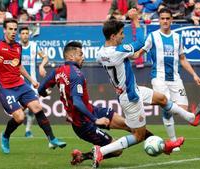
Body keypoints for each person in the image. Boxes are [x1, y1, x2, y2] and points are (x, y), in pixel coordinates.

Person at [38, 41, 180, 166]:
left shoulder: (57, 71)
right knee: (117, 150)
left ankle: (164, 145)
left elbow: (40, 89)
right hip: (83, 123)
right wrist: (95, 120)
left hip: (91, 110)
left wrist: (45, 93)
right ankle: (83, 156)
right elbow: (76, 102)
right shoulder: (76, 74)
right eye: (80, 54)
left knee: (131, 126)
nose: (83, 57)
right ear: (70, 57)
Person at [95, 8, 200, 168]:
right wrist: (135, 20)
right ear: (113, 36)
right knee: (138, 136)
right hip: (130, 96)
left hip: (132, 89)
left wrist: (128, 55)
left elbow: (125, 56)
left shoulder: (100, 53)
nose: (123, 36)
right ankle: (101, 152)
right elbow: (140, 42)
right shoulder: (117, 51)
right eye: (120, 34)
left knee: (162, 98)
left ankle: (190, 118)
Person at [0, 18, 66, 154]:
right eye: (10, 29)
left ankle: (52, 139)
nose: (13, 32)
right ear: (4, 30)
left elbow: (19, 66)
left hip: (20, 84)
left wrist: (31, 80)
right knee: (19, 117)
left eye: (15, 29)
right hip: (5, 87)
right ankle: (5, 136)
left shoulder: (18, 47)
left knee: (37, 107)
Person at [135, 8, 200, 152]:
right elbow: (140, 52)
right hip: (158, 77)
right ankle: (174, 141)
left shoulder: (177, 37)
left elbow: (182, 58)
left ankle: (188, 119)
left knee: (180, 108)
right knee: (166, 104)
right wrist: (130, 55)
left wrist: (194, 74)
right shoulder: (153, 36)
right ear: (159, 20)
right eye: (162, 18)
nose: (165, 21)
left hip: (175, 78)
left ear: (171, 20)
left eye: (167, 18)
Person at [19, 26, 49, 137]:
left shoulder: (34, 46)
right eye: (23, 33)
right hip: (18, 82)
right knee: (20, 110)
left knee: (33, 108)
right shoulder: (16, 47)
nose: (25, 35)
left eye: (27, 33)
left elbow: (45, 57)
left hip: (32, 83)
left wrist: (41, 65)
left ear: (29, 35)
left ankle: (27, 130)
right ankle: (8, 132)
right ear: (19, 35)